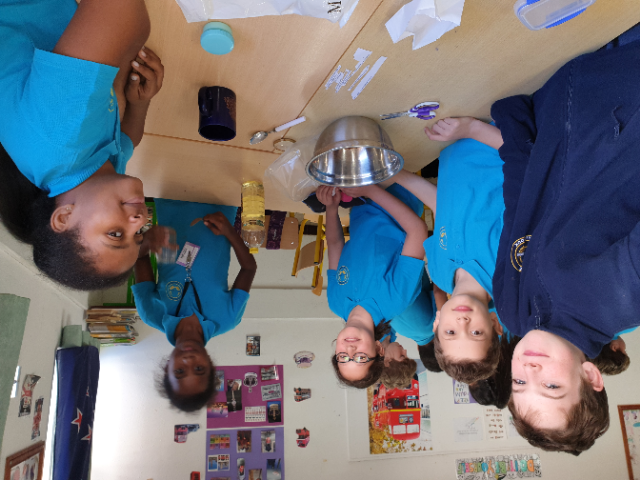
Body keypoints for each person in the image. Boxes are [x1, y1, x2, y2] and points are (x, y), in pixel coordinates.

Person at [492, 26, 640, 455]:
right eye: (552, 387)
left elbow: (521, 208)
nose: (530, 370)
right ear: (590, 376)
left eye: (520, 383)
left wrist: (513, 125)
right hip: (621, 65)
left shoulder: (513, 313)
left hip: (553, 84)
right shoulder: (624, 299)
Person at [0, 0, 163, 290]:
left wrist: (130, 42)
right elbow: (128, 140)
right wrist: (139, 105)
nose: (139, 221)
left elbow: (123, 10)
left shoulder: (61, 135)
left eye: (115, 234)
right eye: (137, 235)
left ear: (64, 216)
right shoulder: (95, 178)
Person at [132, 199, 257, 412]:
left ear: (168, 368)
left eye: (180, 371)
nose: (189, 360)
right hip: (220, 205)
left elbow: (139, 258)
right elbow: (249, 269)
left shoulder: (152, 314)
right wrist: (229, 231)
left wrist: (146, 241)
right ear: (210, 365)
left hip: (170, 202)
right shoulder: (227, 319)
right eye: (199, 369)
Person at [321, 170, 436, 389]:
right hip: (398, 189)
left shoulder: (336, 303)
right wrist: (372, 191)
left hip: (359, 201)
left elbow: (335, 244)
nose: (350, 350)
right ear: (379, 350)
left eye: (343, 358)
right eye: (361, 358)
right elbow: (417, 230)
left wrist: (331, 207)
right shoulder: (395, 301)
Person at [419, 118, 506, 384]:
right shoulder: (508, 268)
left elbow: (441, 207)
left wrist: (394, 176)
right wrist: (473, 129)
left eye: (451, 333)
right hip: (493, 125)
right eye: (476, 333)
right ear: (495, 324)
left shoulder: (439, 274)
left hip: (452, 139)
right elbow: (528, 164)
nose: (463, 322)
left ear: (436, 325)